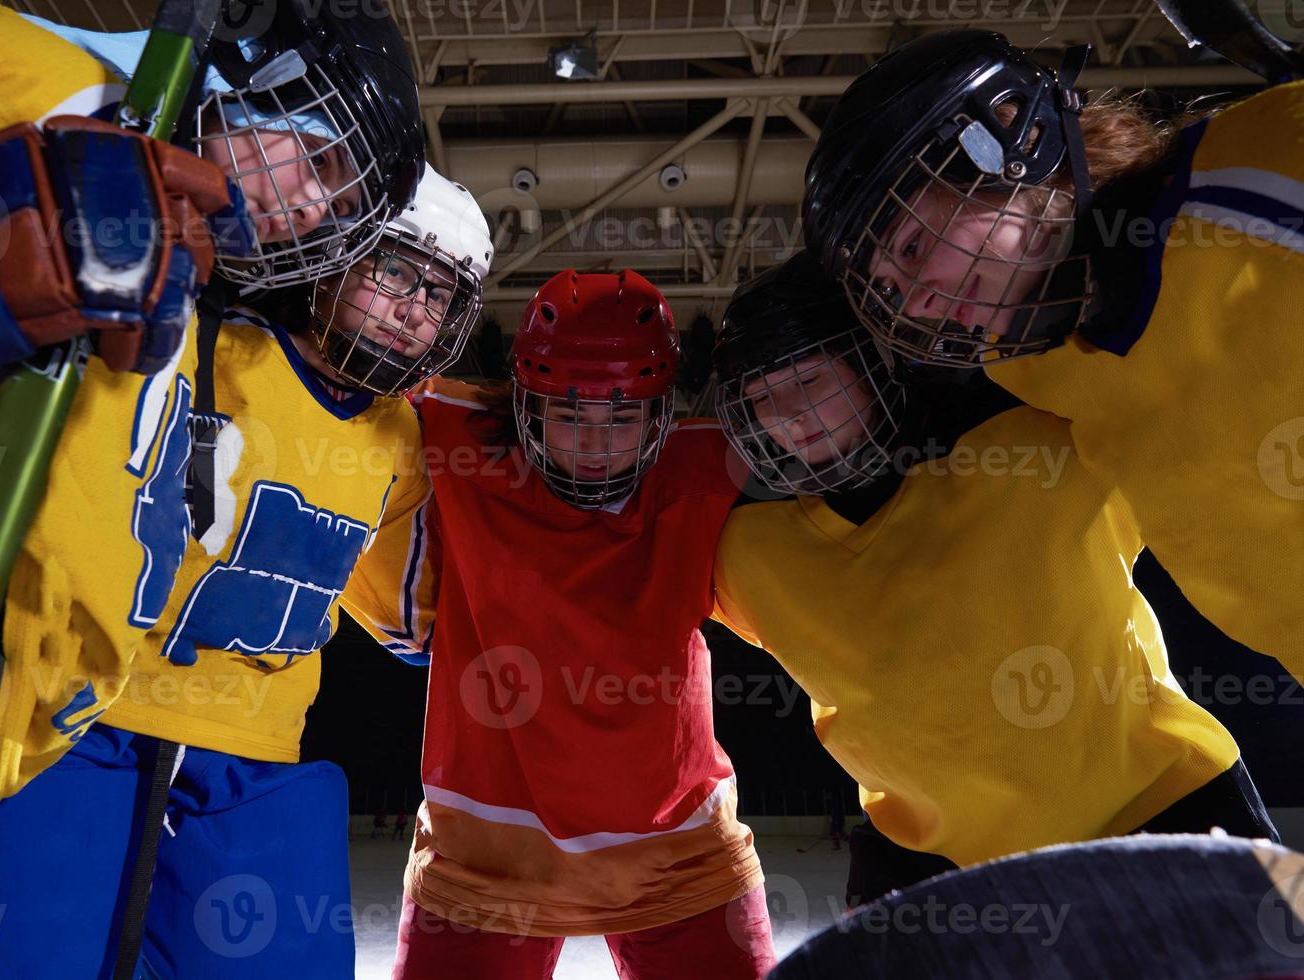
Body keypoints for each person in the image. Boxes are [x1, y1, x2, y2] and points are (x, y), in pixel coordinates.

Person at [0, 1, 431, 975]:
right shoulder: (50, 91)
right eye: (319, 162)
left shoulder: (190, 259)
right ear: (257, 83)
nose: (321, 207)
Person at [0, 171, 493, 976]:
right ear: (333, 258)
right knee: (25, 961)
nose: (416, 309)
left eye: (442, 297)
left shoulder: (401, 442)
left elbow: (414, 624)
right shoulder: (192, 343)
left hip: (257, 755)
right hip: (85, 726)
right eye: (395, 273)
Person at [710, 253, 1276, 907]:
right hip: (929, 861)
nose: (787, 413)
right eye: (758, 396)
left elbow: (1173, 378)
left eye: (806, 377)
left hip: (1163, 805)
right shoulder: (748, 552)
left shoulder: (1038, 445)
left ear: (874, 359)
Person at [801, 28, 1304, 683]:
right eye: (890, 289)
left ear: (1011, 146)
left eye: (910, 249)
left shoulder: (1252, 177)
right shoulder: (1034, 365)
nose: (915, 306)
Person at [362, 269, 775, 980]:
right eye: (569, 413)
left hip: (678, 858)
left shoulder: (707, 466)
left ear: (660, 414)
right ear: (523, 402)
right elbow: (341, 377)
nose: (593, 443)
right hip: (484, 865)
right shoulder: (455, 442)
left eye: (620, 417)